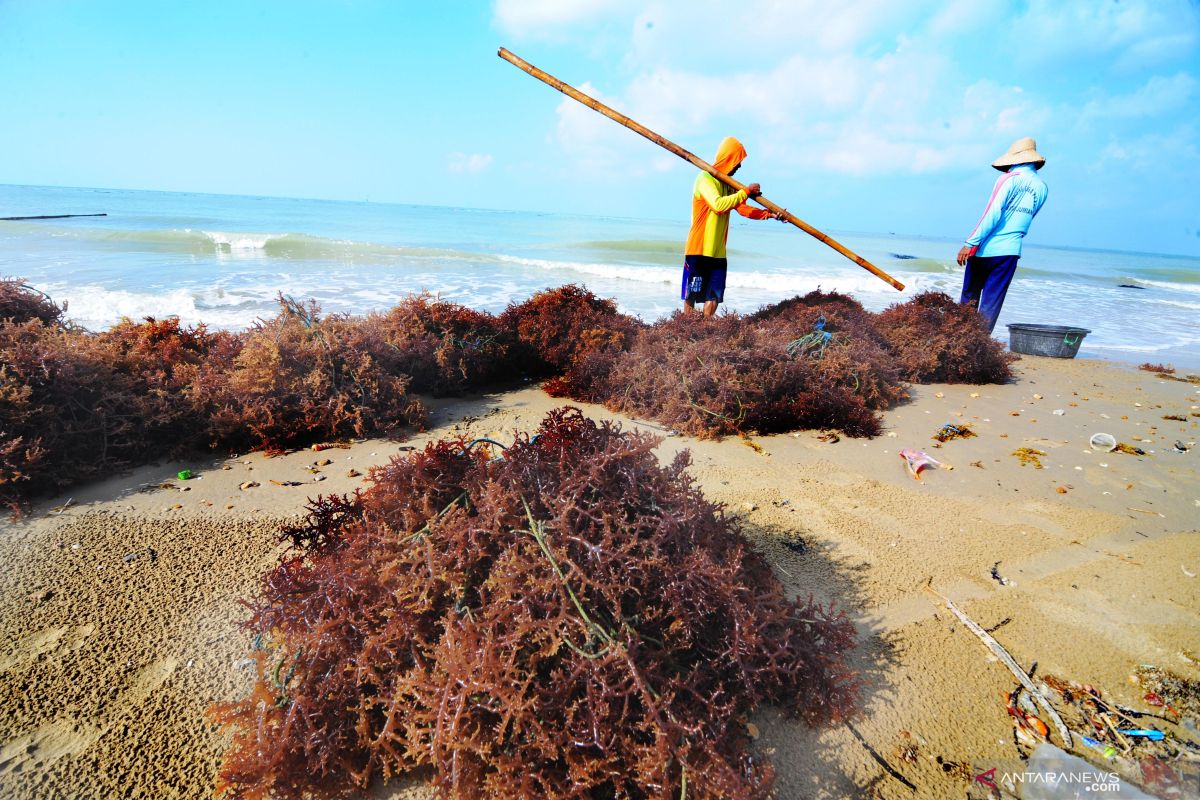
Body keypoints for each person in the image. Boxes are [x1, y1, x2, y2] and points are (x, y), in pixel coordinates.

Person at [956, 137, 1049, 333]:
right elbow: (1028, 218)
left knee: (969, 297)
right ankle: (981, 344)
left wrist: (970, 243)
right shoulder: (1042, 188)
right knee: (992, 301)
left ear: (1015, 159)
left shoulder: (1007, 179)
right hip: (1010, 251)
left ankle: (961, 339)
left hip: (985, 249)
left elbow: (992, 213)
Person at [682, 136, 782, 316]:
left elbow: (743, 209)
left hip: (718, 251)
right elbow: (718, 205)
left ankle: (706, 332)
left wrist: (769, 214)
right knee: (692, 293)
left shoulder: (728, 185)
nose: (739, 166)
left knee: (713, 295)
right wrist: (745, 191)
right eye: (738, 161)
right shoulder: (704, 178)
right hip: (698, 249)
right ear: (729, 159)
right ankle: (685, 329)